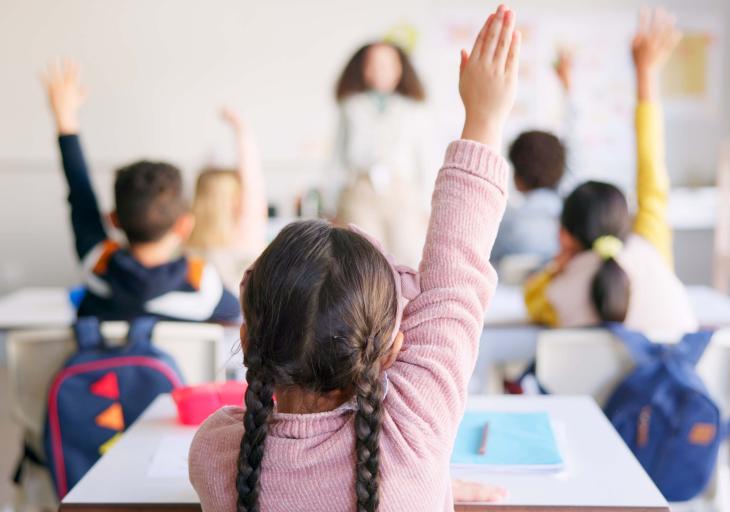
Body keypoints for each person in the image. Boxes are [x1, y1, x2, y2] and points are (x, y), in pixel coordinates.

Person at [188, 5, 520, 511]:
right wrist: (486, 116)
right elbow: (455, 280)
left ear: (248, 338)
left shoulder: (215, 455)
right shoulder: (417, 435)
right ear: (389, 352)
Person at [524, 8, 697, 332]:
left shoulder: (555, 295)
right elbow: (652, 167)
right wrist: (646, 73)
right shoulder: (650, 246)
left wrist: (556, 268)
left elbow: (529, 296)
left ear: (564, 236)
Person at [42, 60, 240, 323]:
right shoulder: (204, 288)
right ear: (184, 225)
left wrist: (65, 118)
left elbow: (80, 193)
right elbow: (236, 316)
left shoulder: (97, 265)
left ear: (113, 220)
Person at [331, 41, 435, 268]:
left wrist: (428, 208)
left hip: (403, 194)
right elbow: (336, 160)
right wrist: (332, 205)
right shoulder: (350, 107)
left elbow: (425, 162)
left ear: (400, 69)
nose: (380, 69)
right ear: (362, 69)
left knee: (408, 258)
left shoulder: (415, 109)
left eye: (387, 63)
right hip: (360, 192)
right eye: (372, 63)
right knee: (361, 261)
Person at [491, 49, 583, 266]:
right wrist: (567, 86)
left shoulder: (504, 226)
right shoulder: (573, 225)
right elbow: (575, 134)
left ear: (517, 176)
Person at [187, 107, 267, 292]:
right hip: (240, 318)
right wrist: (241, 129)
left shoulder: (187, 239)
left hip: (200, 318)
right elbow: (253, 181)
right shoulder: (246, 235)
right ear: (234, 198)